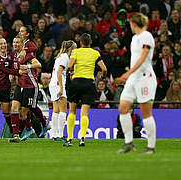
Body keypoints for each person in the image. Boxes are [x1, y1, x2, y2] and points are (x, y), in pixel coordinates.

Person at [116, 13, 157, 154]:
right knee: (123, 108)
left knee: (146, 113)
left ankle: (151, 147)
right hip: (134, 78)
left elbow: (144, 56)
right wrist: (130, 74)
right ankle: (129, 143)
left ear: (134, 23)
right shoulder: (134, 38)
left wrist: (128, 72)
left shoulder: (146, 36)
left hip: (145, 78)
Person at [64, 33, 107, 147]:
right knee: (84, 113)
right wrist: (102, 76)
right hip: (89, 83)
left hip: (76, 82)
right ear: (90, 42)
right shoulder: (95, 53)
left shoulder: (76, 52)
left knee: (72, 111)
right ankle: (82, 138)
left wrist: (69, 74)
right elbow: (104, 68)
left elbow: (69, 66)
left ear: (80, 43)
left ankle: (69, 139)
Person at [9, 35, 41, 142]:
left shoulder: (28, 55)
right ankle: (15, 135)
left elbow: (38, 64)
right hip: (20, 85)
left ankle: (29, 128)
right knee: (14, 108)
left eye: (18, 42)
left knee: (23, 113)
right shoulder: (13, 56)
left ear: (22, 44)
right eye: (14, 42)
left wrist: (28, 67)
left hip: (30, 86)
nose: (15, 44)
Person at [49, 40, 76, 141]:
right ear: (71, 49)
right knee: (63, 110)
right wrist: (61, 87)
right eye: (75, 48)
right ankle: (60, 135)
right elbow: (59, 72)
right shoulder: (65, 57)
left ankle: (55, 135)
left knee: (56, 110)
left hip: (53, 84)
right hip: (58, 84)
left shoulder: (61, 57)